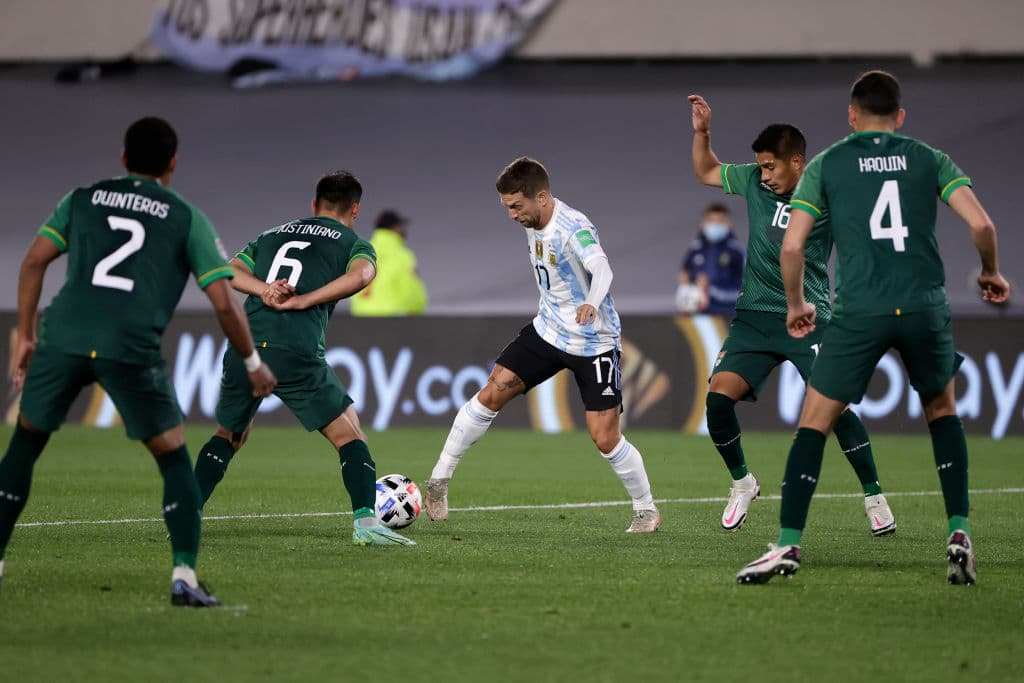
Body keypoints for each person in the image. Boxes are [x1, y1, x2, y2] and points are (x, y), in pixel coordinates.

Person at [736, 70, 1010, 585]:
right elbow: (982, 225)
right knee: (942, 411)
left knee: (815, 419)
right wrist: (990, 272)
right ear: (900, 116)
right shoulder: (928, 157)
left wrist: (796, 304)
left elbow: (792, 246)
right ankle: (957, 531)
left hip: (862, 310)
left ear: (851, 115)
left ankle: (789, 544)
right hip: (925, 306)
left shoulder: (828, 163)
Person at [0, 117, 277, 607]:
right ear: (173, 163)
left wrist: (25, 333)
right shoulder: (186, 216)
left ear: (123, 157)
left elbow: (33, 262)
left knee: (24, 445)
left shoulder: (82, 198)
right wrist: (253, 361)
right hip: (130, 347)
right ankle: (184, 577)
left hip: (63, 336)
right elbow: (222, 301)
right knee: (172, 457)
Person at [688, 95, 896, 536]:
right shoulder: (752, 183)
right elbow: (706, 170)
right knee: (717, 401)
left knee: (833, 407)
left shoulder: (827, 193)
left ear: (797, 162)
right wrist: (703, 133)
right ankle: (743, 482)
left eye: (770, 167)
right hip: (754, 317)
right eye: (760, 167)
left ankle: (874, 495)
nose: (763, 175)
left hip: (811, 318)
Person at [423, 157, 660, 533]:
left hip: (593, 341)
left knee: (605, 437)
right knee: (490, 394)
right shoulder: (534, 219)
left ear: (543, 197)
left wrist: (591, 302)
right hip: (547, 331)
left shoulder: (573, 226)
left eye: (517, 206)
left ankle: (646, 509)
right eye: (506, 207)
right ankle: (438, 480)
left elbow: (602, 267)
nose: (512, 215)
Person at [192, 171, 415, 547]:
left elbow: (229, 269)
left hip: (245, 345)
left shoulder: (272, 234)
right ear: (355, 209)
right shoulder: (353, 242)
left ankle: (188, 512)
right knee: (350, 434)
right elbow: (362, 277)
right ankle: (365, 521)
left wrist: (264, 289)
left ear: (314, 205)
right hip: (295, 351)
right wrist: (306, 299)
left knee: (229, 434)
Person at [350, 210, 428, 316]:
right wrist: (417, 312)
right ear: (395, 228)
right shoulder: (401, 255)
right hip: (391, 321)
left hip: (360, 319)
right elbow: (411, 290)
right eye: (401, 226)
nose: (404, 230)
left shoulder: (361, 252)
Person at [676, 203, 745, 315]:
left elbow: (745, 293)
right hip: (698, 315)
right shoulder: (694, 249)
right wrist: (685, 288)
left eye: (720, 221)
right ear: (703, 222)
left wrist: (710, 291)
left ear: (728, 223)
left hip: (728, 315)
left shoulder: (737, 252)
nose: (715, 225)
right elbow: (685, 276)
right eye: (711, 220)